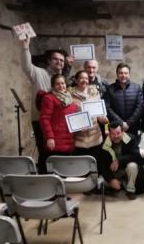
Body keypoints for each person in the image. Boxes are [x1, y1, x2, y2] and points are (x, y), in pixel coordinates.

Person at [20, 36, 71, 173]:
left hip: (59, 123)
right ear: (49, 61)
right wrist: (25, 48)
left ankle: (58, 181)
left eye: (61, 60)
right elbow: (26, 66)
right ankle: (45, 182)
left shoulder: (63, 79)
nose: (59, 62)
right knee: (45, 152)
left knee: (58, 153)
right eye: (56, 59)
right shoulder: (39, 73)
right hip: (40, 120)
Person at [69, 70, 108, 168]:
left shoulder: (95, 93)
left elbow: (99, 113)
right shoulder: (69, 96)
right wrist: (76, 126)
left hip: (95, 137)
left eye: (86, 78)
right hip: (79, 139)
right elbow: (68, 115)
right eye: (81, 78)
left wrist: (102, 119)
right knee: (81, 167)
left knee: (96, 166)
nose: (84, 80)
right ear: (76, 80)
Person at [39, 74, 79, 166]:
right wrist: (49, 137)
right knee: (55, 171)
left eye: (63, 83)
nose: (61, 86)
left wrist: (81, 126)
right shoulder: (49, 98)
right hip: (55, 142)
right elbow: (44, 119)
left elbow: (74, 121)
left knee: (66, 171)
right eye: (57, 84)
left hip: (69, 142)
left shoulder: (70, 100)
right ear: (53, 86)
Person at [99, 121, 143, 200]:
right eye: (113, 134)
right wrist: (110, 180)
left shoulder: (131, 138)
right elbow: (102, 165)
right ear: (109, 134)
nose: (116, 136)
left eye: (118, 133)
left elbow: (136, 156)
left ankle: (130, 190)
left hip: (126, 169)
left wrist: (118, 160)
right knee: (101, 183)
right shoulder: (104, 145)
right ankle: (119, 183)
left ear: (123, 132)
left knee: (132, 166)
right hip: (113, 172)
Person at [103, 62, 143, 137]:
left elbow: (140, 107)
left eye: (126, 73)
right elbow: (107, 107)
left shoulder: (137, 88)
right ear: (117, 74)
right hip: (115, 128)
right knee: (116, 148)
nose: (123, 75)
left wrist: (128, 123)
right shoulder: (110, 89)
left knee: (133, 147)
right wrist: (121, 123)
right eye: (120, 73)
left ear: (129, 74)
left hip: (133, 127)